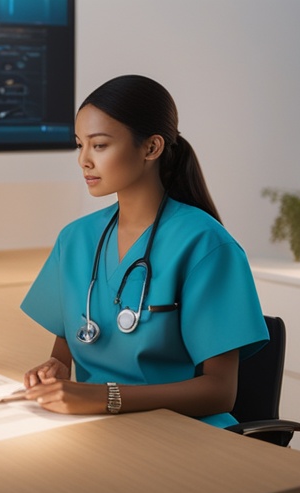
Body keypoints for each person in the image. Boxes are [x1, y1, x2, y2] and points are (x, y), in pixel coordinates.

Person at [20, 75, 268, 427]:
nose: (84, 161)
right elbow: (67, 348)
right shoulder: (75, 239)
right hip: (100, 427)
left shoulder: (206, 245)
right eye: (80, 145)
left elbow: (219, 392)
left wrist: (108, 397)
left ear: (151, 148)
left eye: (100, 145)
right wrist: (55, 370)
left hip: (187, 433)